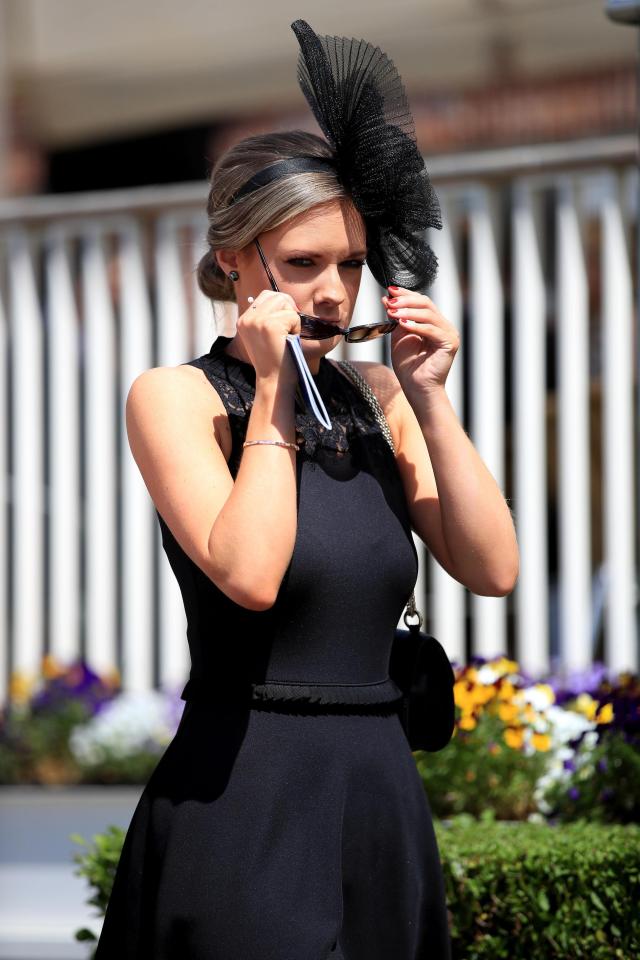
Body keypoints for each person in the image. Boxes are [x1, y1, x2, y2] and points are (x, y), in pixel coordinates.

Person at [94, 20, 518, 960]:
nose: (333, 293)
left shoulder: (377, 398)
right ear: (236, 263)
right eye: (302, 264)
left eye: (353, 266)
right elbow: (250, 574)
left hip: (380, 797)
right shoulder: (179, 397)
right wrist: (276, 394)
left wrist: (431, 400)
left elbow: (492, 567)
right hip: (243, 793)